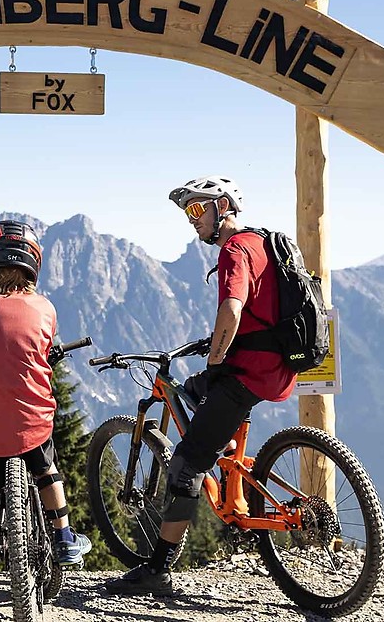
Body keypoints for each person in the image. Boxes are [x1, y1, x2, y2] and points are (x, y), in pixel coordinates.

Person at [104, 176, 298, 596]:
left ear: (223, 206)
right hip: (278, 365)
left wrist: (215, 361)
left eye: (197, 209)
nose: (192, 220)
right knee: (192, 390)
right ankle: (225, 455)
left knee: (186, 465)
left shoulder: (233, 249)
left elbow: (232, 307)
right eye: (187, 211)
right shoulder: (262, 242)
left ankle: (157, 569)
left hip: (248, 371)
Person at [0, 220, 93, 622]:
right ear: (32, 267)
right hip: (34, 424)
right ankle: (63, 537)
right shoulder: (45, 308)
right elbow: (40, 346)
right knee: (47, 471)